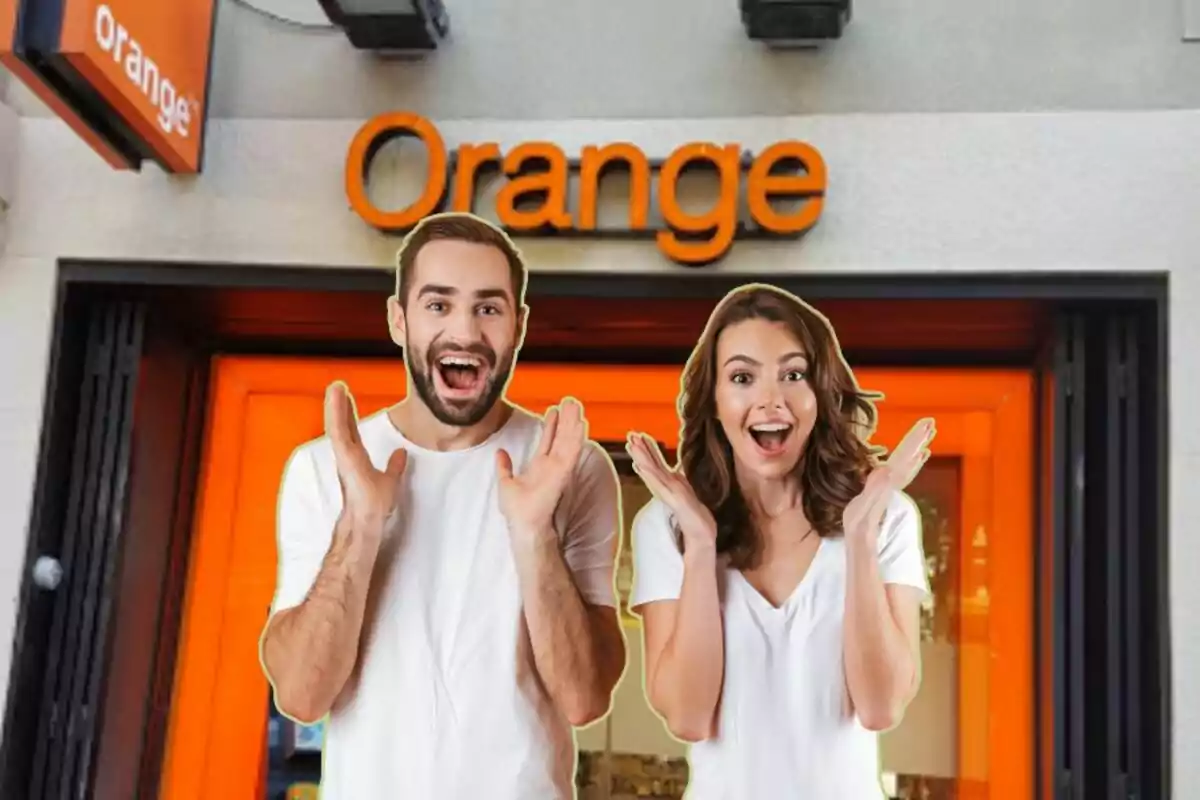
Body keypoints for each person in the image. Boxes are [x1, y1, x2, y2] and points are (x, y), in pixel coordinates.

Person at [258, 212, 627, 799]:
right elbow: (302, 695)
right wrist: (360, 526)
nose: (465, 332)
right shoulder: (323, 469)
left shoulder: (572, 468)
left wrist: (534, 533)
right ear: (398, 320)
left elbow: (584, 699)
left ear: (519, 326)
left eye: (488, 307)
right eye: (438, 305)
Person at [625, 283, 933, 799]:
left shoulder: (887, 519)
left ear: (822, 394)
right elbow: (688, 715)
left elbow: (881, 707)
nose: (771, 400)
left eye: (794, 375)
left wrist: (858, 537)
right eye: (743, 378)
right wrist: (700, 546)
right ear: (715, 400)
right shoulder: (668, 526)